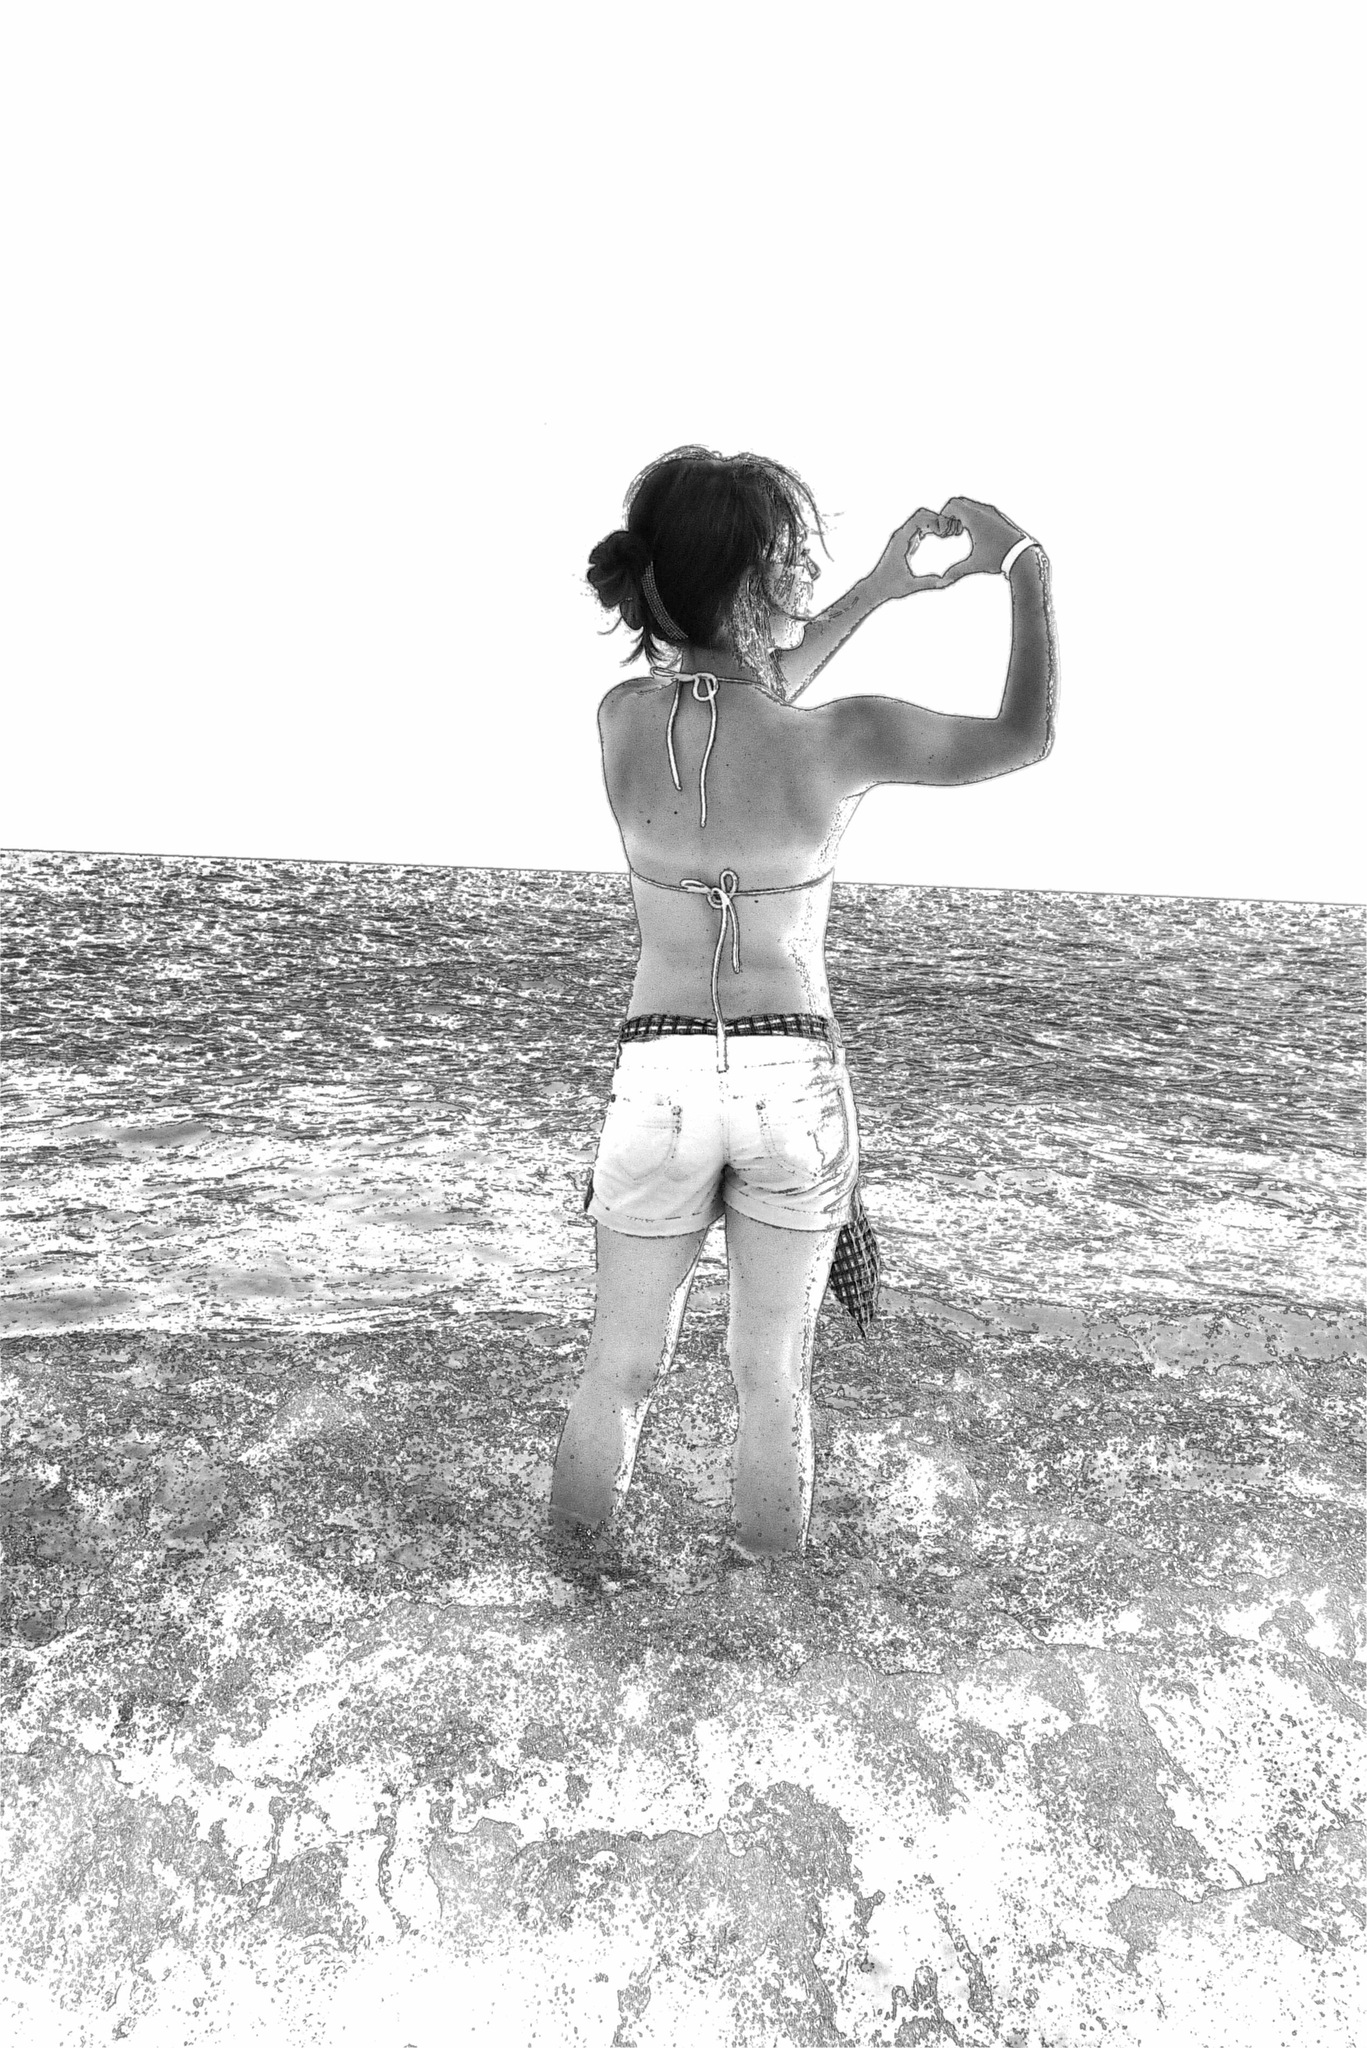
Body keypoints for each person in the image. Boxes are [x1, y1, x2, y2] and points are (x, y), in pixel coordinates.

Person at [548, 446, 1056, 1562]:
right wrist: (1024, 565)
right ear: (759, 585)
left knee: (618, 1366)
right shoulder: (841, 736)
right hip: (791, 1070)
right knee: (770, 1369)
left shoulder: (622, 720)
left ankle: (569, 1588)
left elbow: (742, 683)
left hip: (656, 1069)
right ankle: (765, 1616)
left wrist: (876, 589)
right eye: (796, 562)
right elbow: (1023, 735)